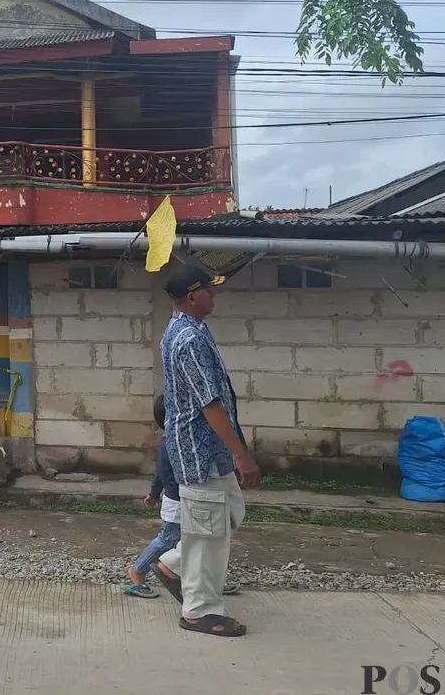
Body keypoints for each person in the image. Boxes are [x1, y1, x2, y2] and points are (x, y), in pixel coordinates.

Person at [155, 265, 261, 637]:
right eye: (210, 292)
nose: (215, 297)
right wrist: (241, 454)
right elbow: (209, 403)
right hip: (200, 453)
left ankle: (173, 564)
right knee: (207, 533)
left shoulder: (191, 330)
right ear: (192, 296)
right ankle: (200, 611)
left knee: (228, 514)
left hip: (211, 450)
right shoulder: (189, 339)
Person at [122, 395, 241, 600]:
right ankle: (138, 571)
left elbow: (159, 475)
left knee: (202, 540)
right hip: (178, 502)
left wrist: (153, 494)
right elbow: (164, 474)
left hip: (180, 500)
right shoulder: (174, 445)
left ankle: (209, 582)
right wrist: (155, 493)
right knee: (171, 540)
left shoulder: (170, 442)